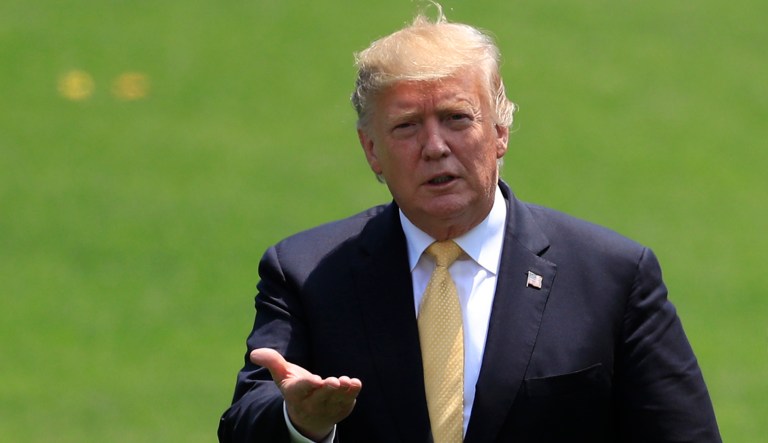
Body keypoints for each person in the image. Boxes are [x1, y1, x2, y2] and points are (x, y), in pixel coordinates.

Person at [218, 7, 721, 443]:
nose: (435, 146)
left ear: (500, 131)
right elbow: (244, 421)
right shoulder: (307, 274)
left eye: (457, 119)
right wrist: (299, 422)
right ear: (371, 150)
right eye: (407, 126)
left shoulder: (612, 276)